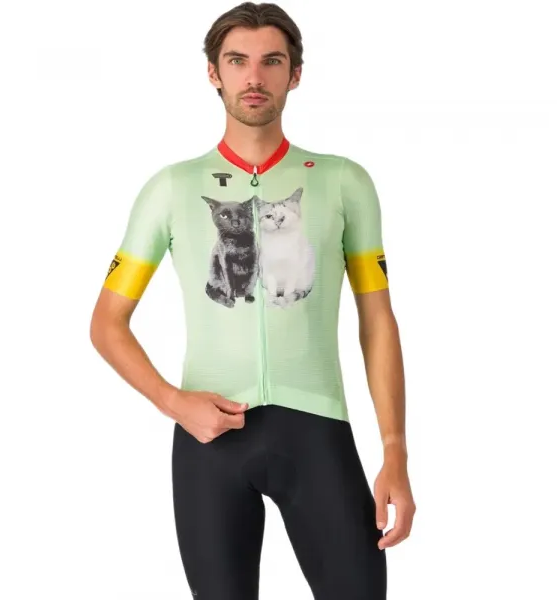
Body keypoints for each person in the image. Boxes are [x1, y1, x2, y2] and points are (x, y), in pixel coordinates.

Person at [90, 2, 416, 598]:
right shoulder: (171, 188)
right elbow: (107, 322)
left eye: (272, 61)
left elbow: (377, 319)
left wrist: (395, 451)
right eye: (238, 61)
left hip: (317, 433)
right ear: (213, 73)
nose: (254, 77)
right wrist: (172, 402)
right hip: (208, 439)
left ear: (295, 74)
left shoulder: (343, 181)